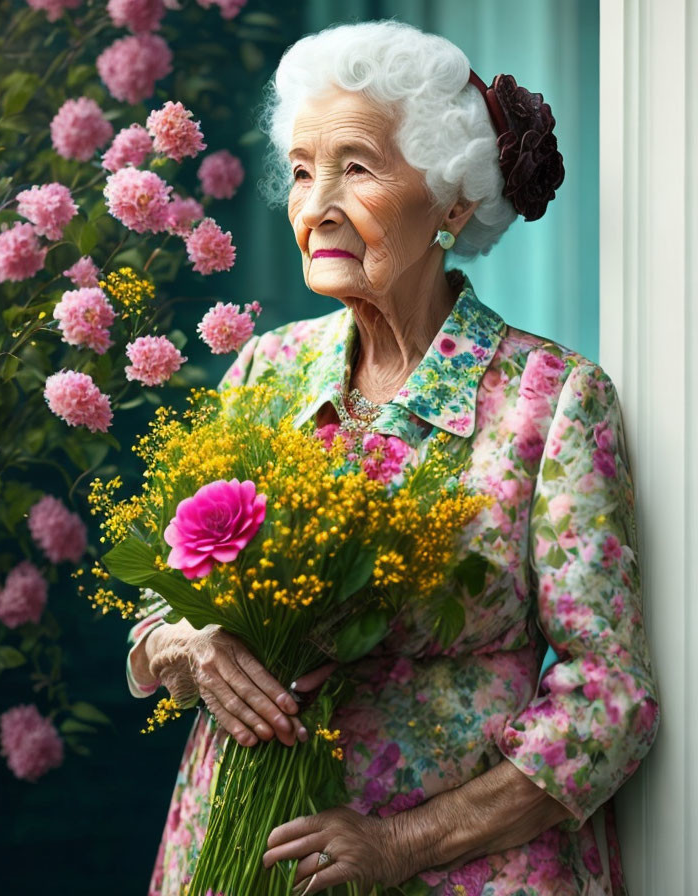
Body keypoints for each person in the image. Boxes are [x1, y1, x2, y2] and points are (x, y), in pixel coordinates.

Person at [127, 20, 660, 896]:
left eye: (359, 168)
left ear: (452, 201)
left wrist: (403, 844)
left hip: (460, 869)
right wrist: (187, 645)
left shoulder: (551, 398)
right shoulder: (267, 369)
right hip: (240, 847)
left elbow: (611, 702)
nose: (317, 204)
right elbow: (156, 609)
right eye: (302, 171)